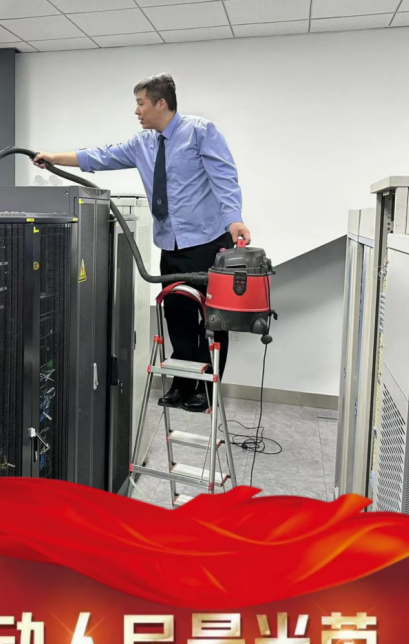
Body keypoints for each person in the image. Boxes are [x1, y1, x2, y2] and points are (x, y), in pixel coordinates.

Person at [34, 73, 250, 413]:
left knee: (212, 320)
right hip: (171, 244)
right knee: (177, 315)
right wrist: (53, 158)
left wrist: (234, 218)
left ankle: (207, 390)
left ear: (161, 103)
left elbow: (224, 177)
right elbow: (101, 156)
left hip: (207, 241)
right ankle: (182, 385)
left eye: (141, 103)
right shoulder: (143, 143)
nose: (137, 111)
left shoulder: (200, 131)